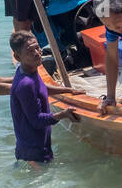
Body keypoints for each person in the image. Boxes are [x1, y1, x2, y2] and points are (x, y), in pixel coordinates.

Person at [9, 31, 79, 165]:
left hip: (38, 148)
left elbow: (41, 88)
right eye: (30, 50)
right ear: (17, 57)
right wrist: (63, 114)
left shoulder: (29, 71)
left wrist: (68, 90)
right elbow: (36, 120)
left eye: (37, 47)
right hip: (33, 155)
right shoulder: (25, 84)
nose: (37, 53)